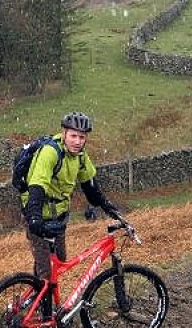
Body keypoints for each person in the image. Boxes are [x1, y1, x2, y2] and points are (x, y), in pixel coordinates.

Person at [21, 111, 121, 279]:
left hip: (58, 217)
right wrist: (34, 217)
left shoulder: (80, 157)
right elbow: (38, 185)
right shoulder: (50, 152)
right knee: (47, 272)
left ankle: (38, 291)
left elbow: (90, 187)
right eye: (73, 136)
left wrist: (106, 205)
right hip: (37, 213)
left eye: (82, 138)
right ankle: (43, 302)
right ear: (64, 133)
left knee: (59, 261)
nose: (77, 142)